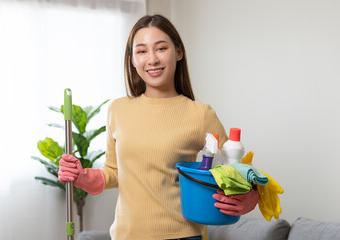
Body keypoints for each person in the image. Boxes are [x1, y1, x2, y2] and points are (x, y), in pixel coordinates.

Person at [58, 14, 259, 240]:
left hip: (181, 235)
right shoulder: (118, 109)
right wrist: (80, 175)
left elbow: (237, 168)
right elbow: (114, 173)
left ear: (178, 52)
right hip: (126, 236)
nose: (152, 59)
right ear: (133, 59)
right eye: (142, 51)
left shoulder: (200, 114)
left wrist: (250, 196)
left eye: (161, 48)